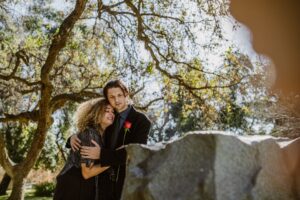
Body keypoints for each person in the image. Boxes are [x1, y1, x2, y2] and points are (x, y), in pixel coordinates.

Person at [69, 79, 152, 200]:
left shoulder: (141, 121)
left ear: (126, 94)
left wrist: (101, 154)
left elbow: (135, 152)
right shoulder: (107, 118)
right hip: (102, 186)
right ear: (107, 99)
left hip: (125, 185)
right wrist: (72, 137)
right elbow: (90, 131)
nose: (116, 100)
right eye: (112, 97)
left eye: (119, 95)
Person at [54, 98, 115, 200]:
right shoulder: (90, 134)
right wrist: (113, 160)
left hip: (83, 186)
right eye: (107, 111)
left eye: (113, 112)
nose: (111, 114)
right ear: (97, 113)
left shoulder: (103, 137)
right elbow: (87, 173)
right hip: (73, 186)